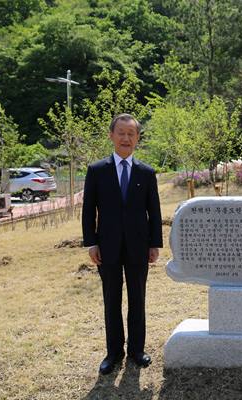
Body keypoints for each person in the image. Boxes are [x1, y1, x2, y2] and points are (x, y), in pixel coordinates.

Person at [82, 113, 163, 375]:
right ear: (111, 135)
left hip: (139, 247)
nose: (126, 138)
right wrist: (91, 243)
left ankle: (137, 351)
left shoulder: (146, 172)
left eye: (131, 133)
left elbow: (155, 212)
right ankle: (113, 353)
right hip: (107, 247)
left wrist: (155, 244)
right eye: (121, 133)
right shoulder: (97, 171)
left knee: (137, 299)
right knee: (111, 299)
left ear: (137, 138)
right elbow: (88, 210)